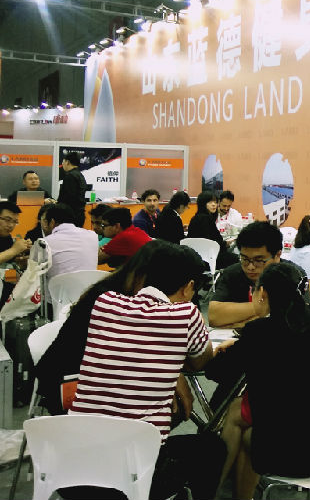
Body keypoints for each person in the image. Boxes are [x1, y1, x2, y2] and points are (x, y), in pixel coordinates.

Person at [69, 243, 225, 500]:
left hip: (74, 467)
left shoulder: (104, 302)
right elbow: (201, 362)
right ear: (188, 286)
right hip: (134, 476)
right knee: (211, 447)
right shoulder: (186, 314)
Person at [206, 262, 310, 500]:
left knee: (237, 416)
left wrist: (232, 349)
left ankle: (207, 492)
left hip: (292, 454)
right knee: (243, 418)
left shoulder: (261, 332)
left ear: (262, 293)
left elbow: (216, 372)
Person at [35, 241, 194, 415]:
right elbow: (130, 356)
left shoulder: (114, 290)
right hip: (68, 385)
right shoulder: (112, 302)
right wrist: (173, 375)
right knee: (164, 406)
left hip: (80, 378)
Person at [208, 221, 308, 328]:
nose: (250, 267)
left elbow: (299, 321)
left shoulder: (293, 275)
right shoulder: (232, 273)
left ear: (277, 255)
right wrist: (267, 307)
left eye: (258, 260)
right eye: (245, 259)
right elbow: (214, 317)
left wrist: (240, 322)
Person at [39, 203, 98, 280]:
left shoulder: (45, 242)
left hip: (58, 287)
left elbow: (33, 271)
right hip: (90, 285)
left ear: (52, 222)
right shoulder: (93, 235)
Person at [188, 190, 237, 270]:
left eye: (215, 202)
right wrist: (225, 243)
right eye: (210, 202)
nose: (214, 204)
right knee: (237, 258)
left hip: (197, 258)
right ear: (203, 204)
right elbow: (209, 243)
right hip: (208, 259)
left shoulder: (195, 218)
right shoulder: (206, 219)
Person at [0, 201, 31, 305]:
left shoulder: (7, 238)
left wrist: (20, 263)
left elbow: (7, 268)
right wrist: (14, 250)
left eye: (15, 222)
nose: (11, 225)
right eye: (7, 220)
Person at [57, 151, 88, 228]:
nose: (62, 164)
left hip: (70, 217)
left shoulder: (70, 176)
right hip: (79, 214)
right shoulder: (80, 175)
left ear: (67, 162)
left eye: (63, 162)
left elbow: (69, 198)